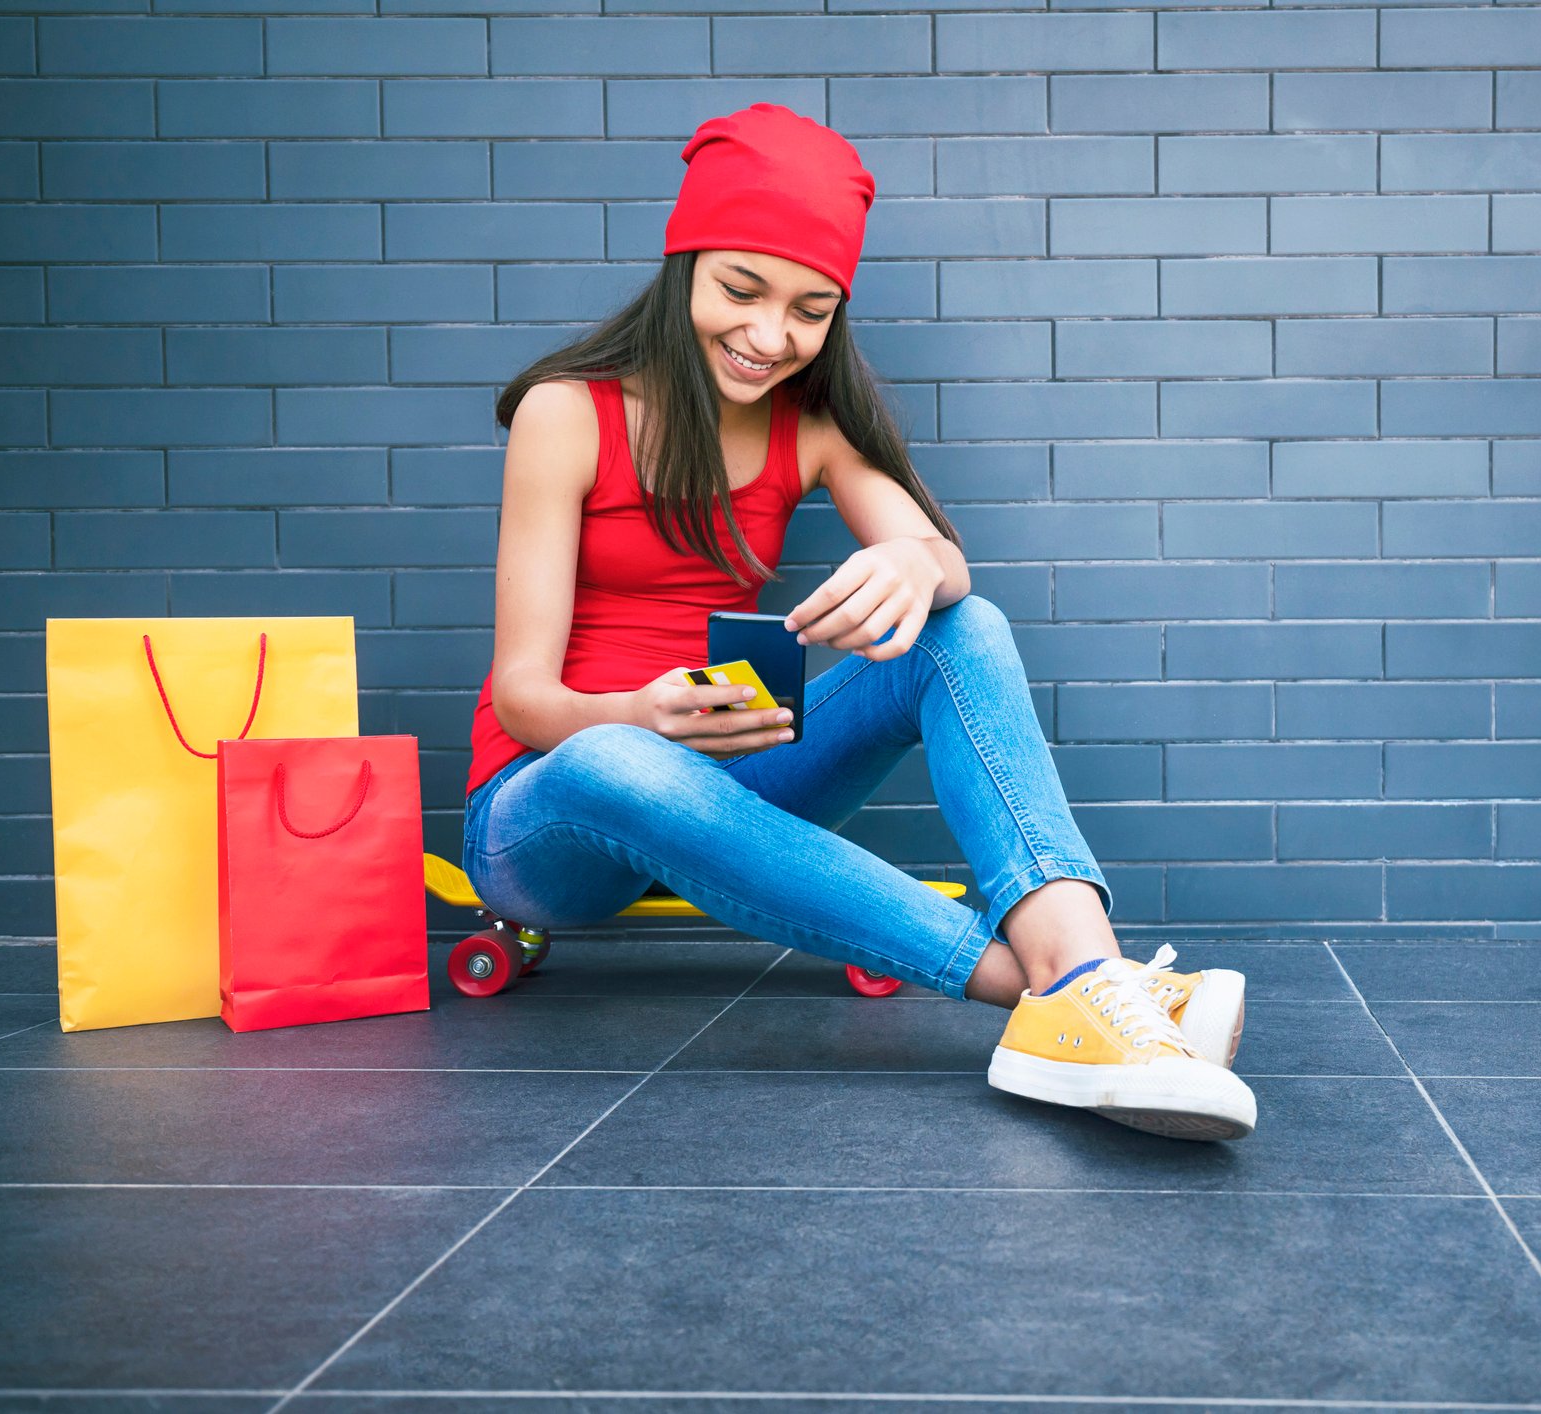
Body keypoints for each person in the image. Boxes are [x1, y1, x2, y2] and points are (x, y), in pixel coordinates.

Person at [459, 103, 1256, 1142]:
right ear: (684, 267)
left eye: (809, 308)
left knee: (961, 625)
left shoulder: (813, 424)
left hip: (726, 770)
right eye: (740, 291)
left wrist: (910, 561)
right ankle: (1060, 992)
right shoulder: (567, 412)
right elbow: (522, 700)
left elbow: (950, 570)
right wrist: (639, 717)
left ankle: (1086, 971)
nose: (768, 336)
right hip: (551, 804)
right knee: (620, 761)